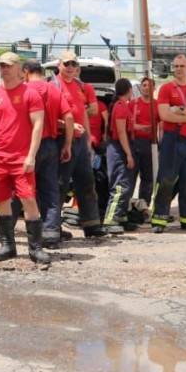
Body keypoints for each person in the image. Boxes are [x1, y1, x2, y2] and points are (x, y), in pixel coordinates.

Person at [0, 52, 49, 263]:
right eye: (1, 65)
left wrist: (31, 156)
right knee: (1, 200)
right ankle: (7, 245)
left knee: (28, 198)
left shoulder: (30, 94)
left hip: (21, 158)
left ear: (20, 69)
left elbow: (38, 125)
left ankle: (35, 248)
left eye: (8, 65)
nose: (4, 69)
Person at [53, 51, 109, 237]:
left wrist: (87, 141)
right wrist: (66, 126)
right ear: (59, 65)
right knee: (60, 185)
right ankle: (52, 227)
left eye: (73, 64)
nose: (70, 68)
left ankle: (92, 225)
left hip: (81, 143)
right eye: (66, 64)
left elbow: (85, 114)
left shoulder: (80, 86)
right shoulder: (52, 86)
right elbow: (47, 117)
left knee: (86, 182)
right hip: (61, 141)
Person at [151, 54, 186, 233]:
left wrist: (182, 110)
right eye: (175, 66)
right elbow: (164, 115)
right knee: (166, 179)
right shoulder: (166, 88)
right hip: (172, 139)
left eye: (182, 66)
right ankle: (159, 219)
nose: (178, 69)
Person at [22, 60, 74, 248]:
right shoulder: (53, 89)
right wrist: (67, 144)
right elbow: (68, 116)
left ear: (26, 71)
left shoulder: (24, 90)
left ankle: (30, 231)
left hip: (28, 146)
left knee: (25, 188)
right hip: (51, 145)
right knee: (50, 189)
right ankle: (51, 232)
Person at [102, 78, 137, 231]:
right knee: (119, 186)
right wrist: (128, 154)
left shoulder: (123, 106)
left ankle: (121, 216)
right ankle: (110, 219)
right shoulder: (121, 107)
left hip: (120, 147)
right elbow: (121, 132)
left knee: (126, 185)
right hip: (118, 149)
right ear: (129, 90)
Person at [130, 76, 158, 222]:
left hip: (151, 145)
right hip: (135, 144)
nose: (146, 88)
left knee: (148, 178)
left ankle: (144, 207)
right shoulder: (133, 104)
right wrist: (141, 128)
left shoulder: (157, 105)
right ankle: (128, 207)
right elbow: (128, 125)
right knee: (131, 177)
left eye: (149, 85)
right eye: (144, 85)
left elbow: (162, 125)